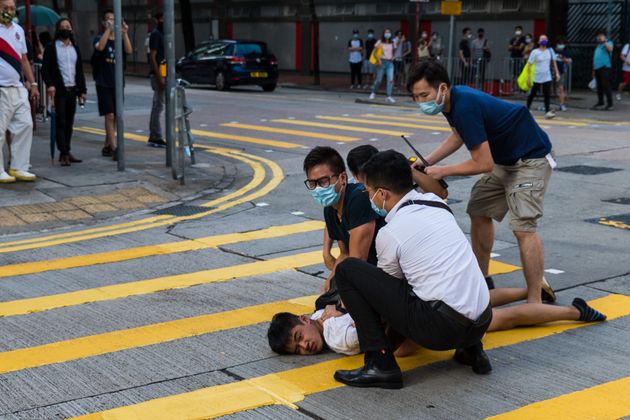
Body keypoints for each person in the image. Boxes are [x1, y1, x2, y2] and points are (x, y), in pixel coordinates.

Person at [333, 150, 493, 389]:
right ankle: (472, 351)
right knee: (437, 273)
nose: (369, 199)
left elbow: (385, 298)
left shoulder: (390, 233)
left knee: (347, 270)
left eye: (369, 192)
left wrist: (365, 326)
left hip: (442, 331)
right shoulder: (436, 202)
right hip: (482, 321)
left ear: (383, 194)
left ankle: (380, 364)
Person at [409, 60, 556, 304]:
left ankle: (536, 298)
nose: (420, 101)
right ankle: (482, 281)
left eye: (424, 94)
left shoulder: (464, 105)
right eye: (415, 97)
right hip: (504, 160)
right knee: (479, 208)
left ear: (442, 88)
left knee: (523, 227)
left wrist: (442, 171)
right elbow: (459, 134)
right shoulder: (451, 103)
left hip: (530, 158)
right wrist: (427, 160)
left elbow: (482, 164)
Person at [303, 146, 385, 295]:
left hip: (387, 277)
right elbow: (345, 253)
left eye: (323, 181)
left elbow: (357, 260)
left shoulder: (359, 198)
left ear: (342, 178)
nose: (318, 189)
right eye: (312, 184)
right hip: (366, 275)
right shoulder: (330, 209)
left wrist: (339, 304)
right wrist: (328, 285)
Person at [0, 0, 39, 184]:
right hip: (1, 90)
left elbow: (24, 59)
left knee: (25, 125)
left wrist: (33, 83)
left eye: (12, 8)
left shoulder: (18, 30)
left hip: (17, 87)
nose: (9, 11)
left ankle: (19, 167)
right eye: (4, 8)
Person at [42, 18, 87, 166]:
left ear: (72, 29)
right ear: (57, 30)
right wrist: (50, 85)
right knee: (60, 121)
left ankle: (66, 150)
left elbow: (79, 71)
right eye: (62, 27)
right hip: (59, 90)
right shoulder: (51, 48)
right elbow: (45, 69)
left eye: (68, 26)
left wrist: (82, 90)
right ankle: (64, 152)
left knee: (69, 123)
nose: (65, 29)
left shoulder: (75, 48)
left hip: (72, 90)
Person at [92, 8, 133, 161]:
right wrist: (108, 31)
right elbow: (100, 47)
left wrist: (124, 32)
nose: (111, 21)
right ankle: (115, 148)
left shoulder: (120, 40)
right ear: (104, 22)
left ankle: (108, 144)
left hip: (117, 83)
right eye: (108, 18)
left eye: (114, 19)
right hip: (103, 82)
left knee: (115, 116)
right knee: (109, 114)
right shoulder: (99, 38)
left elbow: (129, 50)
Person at [268, 305, 359, 356]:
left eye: (300, 336)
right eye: (298, 350)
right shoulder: (318, 314)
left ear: (305, 319)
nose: (304, 346)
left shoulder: (340, 339)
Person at [526, 34, 560, 119]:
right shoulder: (535, 52)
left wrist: (557, 73)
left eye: (545, 39)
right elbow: (529, 64)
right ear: (538, 41)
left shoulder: (550, 51)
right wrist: (528, 77)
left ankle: (547, 112)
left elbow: (554, 62)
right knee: (532, 94)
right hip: (537, 77)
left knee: (547, 94)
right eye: (542, 39)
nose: (543, 40)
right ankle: (526, 108)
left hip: (547, 76)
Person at [147, 12, 166, 148]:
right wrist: (159, 76)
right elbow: (152, 57)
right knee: (158, 106)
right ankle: (155, 136)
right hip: (158, 74)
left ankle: (156, 135)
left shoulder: (165, 34)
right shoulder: (156, 34)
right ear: (159, 19)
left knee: (160, 105)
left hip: (164, 73)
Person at [368, 28, 396, 103]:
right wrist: (379, 60)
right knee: (379, 80)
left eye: (389, 32)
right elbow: (374, 53)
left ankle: (388, 96)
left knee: (390, 80)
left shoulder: (393, 42)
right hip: (381, 62)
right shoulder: (379, 42)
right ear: (383, 34)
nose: (387, 34)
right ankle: (373, 92)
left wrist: (393, 57)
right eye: (386, 32)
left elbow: (394, 52)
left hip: (390, 63)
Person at [591, 30, 614, 111]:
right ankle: (600, 102)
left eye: (600, 35)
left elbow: (610, 49)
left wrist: (604, 41)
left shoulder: (608, 42)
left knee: (606, 85)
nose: (599, 37)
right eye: (598, 36)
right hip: (597, 68)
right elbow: (595, 58)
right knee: (599, 86)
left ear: (604, 36)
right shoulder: (598, 46)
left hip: (605, 67)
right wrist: (593, 69)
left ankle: (610, 103)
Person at [554, 37, 571, 111]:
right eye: (559, 44)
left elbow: (569, 60)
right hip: (552, 72)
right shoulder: (552, 51)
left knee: (561, 88)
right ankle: (546, 104)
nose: (560, 45)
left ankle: (562, 104)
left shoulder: (565, 52)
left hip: (561, 72)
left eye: (562, 44)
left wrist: (563, 58)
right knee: (550, 89)